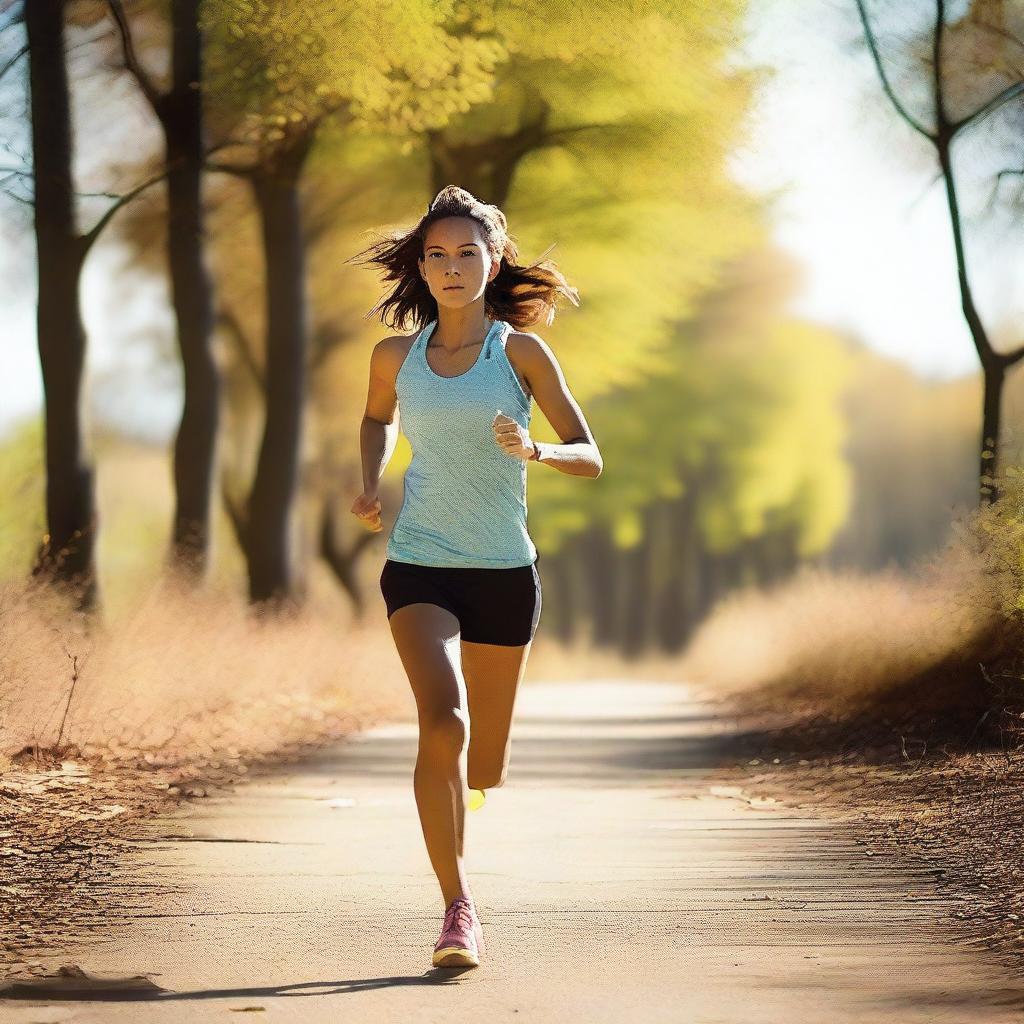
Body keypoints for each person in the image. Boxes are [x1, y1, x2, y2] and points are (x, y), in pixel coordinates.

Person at [348, 185, 603, 969]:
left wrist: (535, 452)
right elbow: (376, 417)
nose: (451, 266)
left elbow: (589, 454)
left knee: (483, 759)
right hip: (419, 563)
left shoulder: (519, 353)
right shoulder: (395, 356)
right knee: (441, 722)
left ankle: (477, 781)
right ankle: (458, 909)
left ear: (493, 263)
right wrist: (368, 477)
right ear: (420, 269)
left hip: (503, 572)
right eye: (436, 254)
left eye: (467, 253)